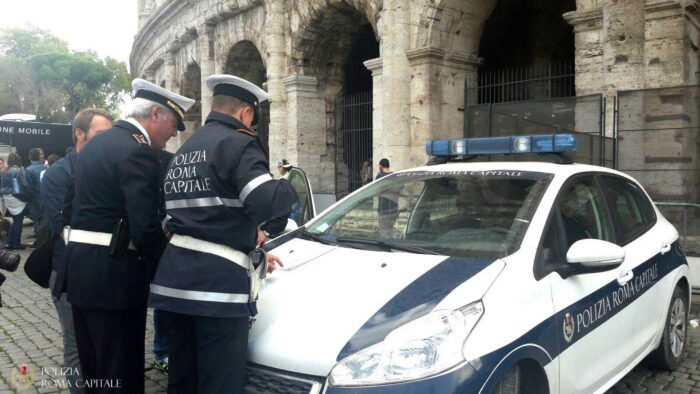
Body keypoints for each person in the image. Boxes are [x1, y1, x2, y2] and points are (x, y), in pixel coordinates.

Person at [149, 74, 297, 393]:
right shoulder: (238, 143)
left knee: (184, 379)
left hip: (175, 284)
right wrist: (288, 184)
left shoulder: (185, 150)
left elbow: (181, 215)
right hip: (217, 289)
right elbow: (267, 201)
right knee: (220, 383)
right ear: (246, 113)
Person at [63, 79, 194, 393]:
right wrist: (173, 266)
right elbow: (145, 227)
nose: (175, 133)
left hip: (81, 274)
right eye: (174, 124)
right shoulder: (138, 152)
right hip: (115, 279)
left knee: (96, 370)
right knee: (120, 374)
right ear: (156, 116)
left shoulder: (95, 145)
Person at [42, 108, 113, 393]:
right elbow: (63, 225)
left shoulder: (110, 168)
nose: (107, 141)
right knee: (75, 346)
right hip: (70, 271)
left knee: (104, 343)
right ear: (79, 133)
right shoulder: (58, 174)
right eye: (100, 134)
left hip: (104, 270)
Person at [151, 148, 174, 375]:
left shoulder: (169, 161)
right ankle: (162, 350)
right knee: (163, 301)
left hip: (171, 246)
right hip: (161, 246)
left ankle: (164, 350)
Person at [0, 153, 28, 250]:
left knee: (15, 221)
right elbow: (25, 183)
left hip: (7, 198)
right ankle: (16, 244)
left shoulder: (3, 171)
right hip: (17, 198)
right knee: (18, 221)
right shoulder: (19, 170)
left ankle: (8, 243)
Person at [26, 147, 48, 240]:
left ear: (30, 157)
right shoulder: (45, 167)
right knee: (43, 219)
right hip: (45, 197)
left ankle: (39, 239)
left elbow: (28, 187)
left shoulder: (29, 170)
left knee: (35, 218)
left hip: (34, 198)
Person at [375, 158, 398, 238]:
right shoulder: (395, 176)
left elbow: (376, 189)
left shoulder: (380, 176)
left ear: (380, 166)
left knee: (383, 230)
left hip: (383, 208)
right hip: (394, 208)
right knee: (391, 230)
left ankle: (385, 248)